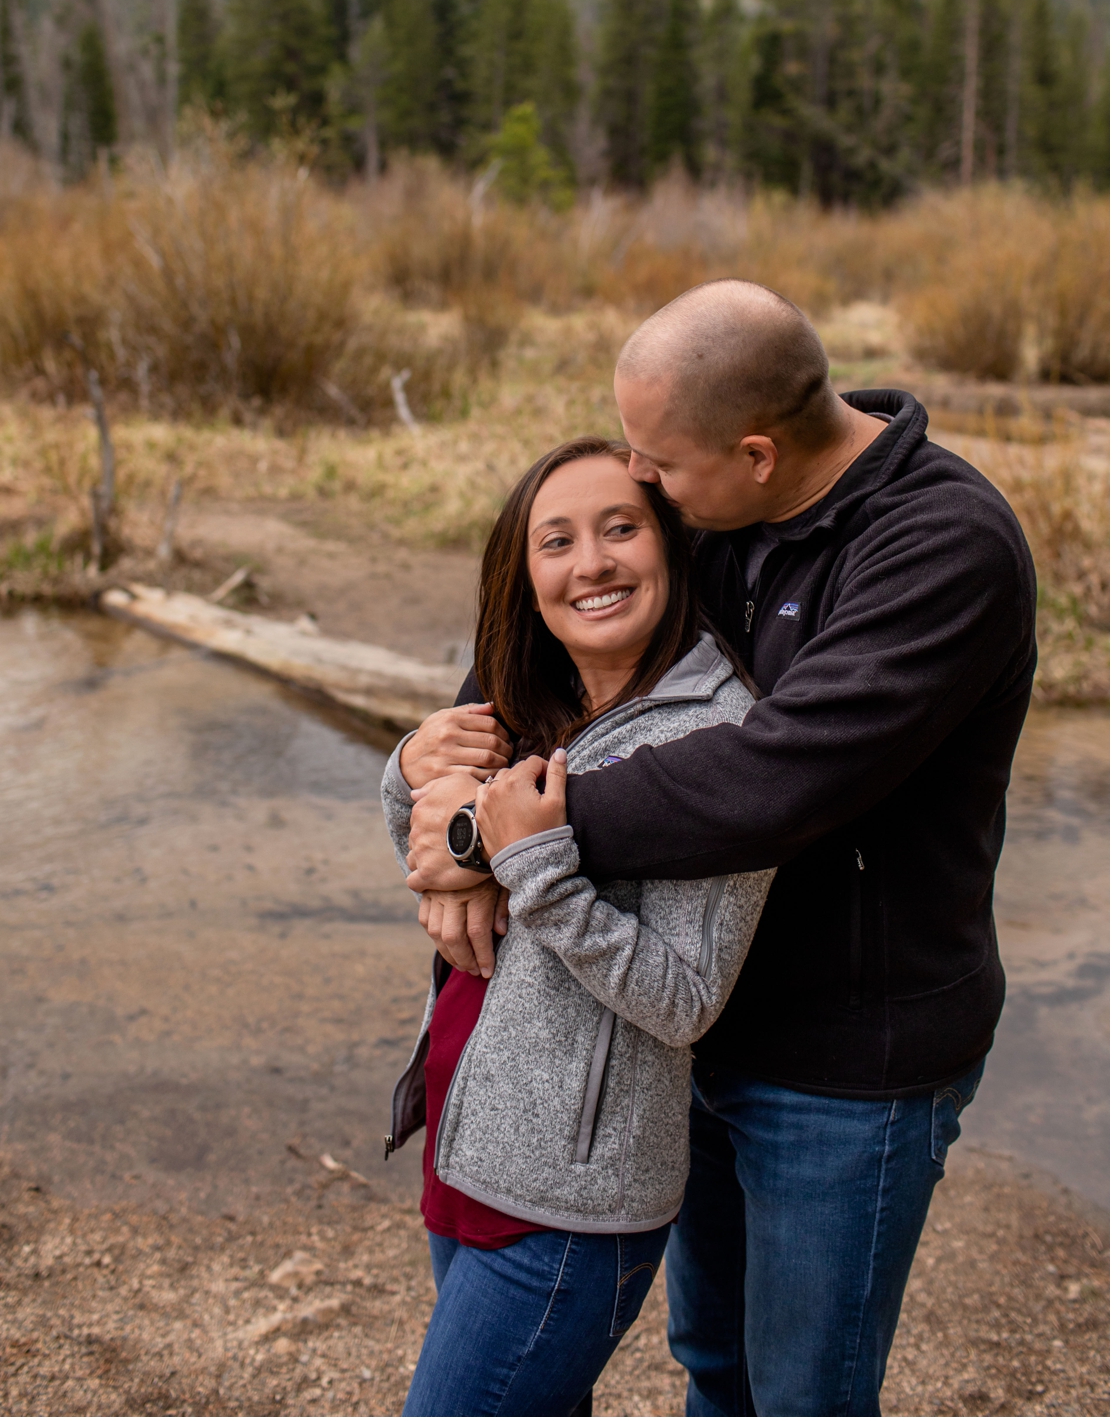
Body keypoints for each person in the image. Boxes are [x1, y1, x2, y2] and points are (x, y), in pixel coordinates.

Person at [400, 280, 1036, 1415]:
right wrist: (443, 772)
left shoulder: (944, 547)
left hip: (848, 1064)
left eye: (660, 467)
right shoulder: (721, 493)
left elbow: (773, 776)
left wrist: (496, 834)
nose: (642, 482)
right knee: (718, 1367)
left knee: (801, 1396)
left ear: (754, 454)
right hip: (692, 1039)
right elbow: (550, 641)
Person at [383, 437, 771, 1415]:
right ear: (526, 573)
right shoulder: (539, 697)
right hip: (468, 1133)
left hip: (571, 1198)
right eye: (556, 540)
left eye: (621, 528)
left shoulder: (719, 736)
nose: (589, 562)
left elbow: (687, 1000)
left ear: (673, 549)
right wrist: (413, 769)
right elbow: (430, 860)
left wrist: (535, 872)